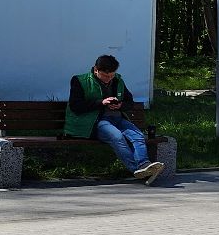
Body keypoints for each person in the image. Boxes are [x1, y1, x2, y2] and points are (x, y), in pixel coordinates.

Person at [65, 54, 163, 184]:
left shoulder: (118, 80)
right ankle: (137, 170)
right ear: (96, 70)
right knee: (117, 137)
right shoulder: (79, 80)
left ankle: (144, 165)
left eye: (111, 75)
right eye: (105, 76)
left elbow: (129, 102)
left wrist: (120, 105)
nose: (109, 79)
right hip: (95, 122)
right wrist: (101, 102)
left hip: (117, 118)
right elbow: (75, 106)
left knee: (138, 135)